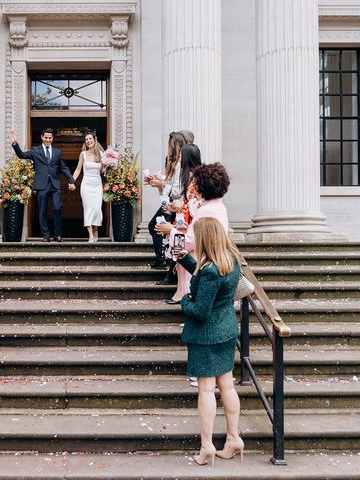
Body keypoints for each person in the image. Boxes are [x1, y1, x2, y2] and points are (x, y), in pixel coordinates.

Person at [175, 216, 243, 467]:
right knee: (227, 385)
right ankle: (234, 439)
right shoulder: (231, 261)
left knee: (206, 389)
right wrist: (186, 259)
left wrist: (184, 300)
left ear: (206, 239)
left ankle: (206, 447)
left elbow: (201, 310)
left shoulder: (211, 270)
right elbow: (206, 278)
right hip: (226, 328)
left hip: (207, 334)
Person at [155, 162, 231, 301]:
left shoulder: (205, 211)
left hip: (201, 262)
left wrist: (170, 230)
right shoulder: (220, 206)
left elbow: (188, 243)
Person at [9, 128, 76, 242]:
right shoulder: (36, 150)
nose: (48, 140)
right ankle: (46, 235)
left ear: (52, 138)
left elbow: (64, 168)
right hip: (41, 185)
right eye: (46, 137)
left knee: (57, 208)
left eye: (50, 138)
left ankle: (57, 235)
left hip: (55, 185)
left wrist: (71, 181)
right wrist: (15, 143)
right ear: (42, 137)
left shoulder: (57, 152)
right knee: (42, 211)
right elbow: (22, 155)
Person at [155, 143, 203, 298]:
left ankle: (184, 292)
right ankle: (180, 291)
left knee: (184, 255)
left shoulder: (196, 178)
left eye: (182, 156)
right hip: (183, 219)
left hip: (190, 223)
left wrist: (180, 206)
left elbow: (196, 203)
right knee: (179, 256)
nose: (179, 159)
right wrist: (177, 206)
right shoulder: (190, 176)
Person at [144, 131, 186, 272]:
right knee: (160, 229)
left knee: (159, 228)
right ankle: (164, 260)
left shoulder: (181, 164)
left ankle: (164, 261)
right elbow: (169, 188)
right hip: (171, 204)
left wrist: (161, 184)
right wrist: (159, 183)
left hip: (177, 205)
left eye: (170, 145)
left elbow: (176, 191)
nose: (168, 148)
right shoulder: (174, 163)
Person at [72, 132, 104, 242]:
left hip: (97, 184)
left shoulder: (101, 154)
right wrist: (72, 181)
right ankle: (91, 234)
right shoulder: (83, 154)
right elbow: (78, 169)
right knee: (88, 209)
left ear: (95, 139)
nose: (88, 141)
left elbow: (102, 171)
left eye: (90, 138)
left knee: (97, 209)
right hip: (86, 184)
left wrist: (108, 164)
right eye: (86, 139)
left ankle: (96, 230)